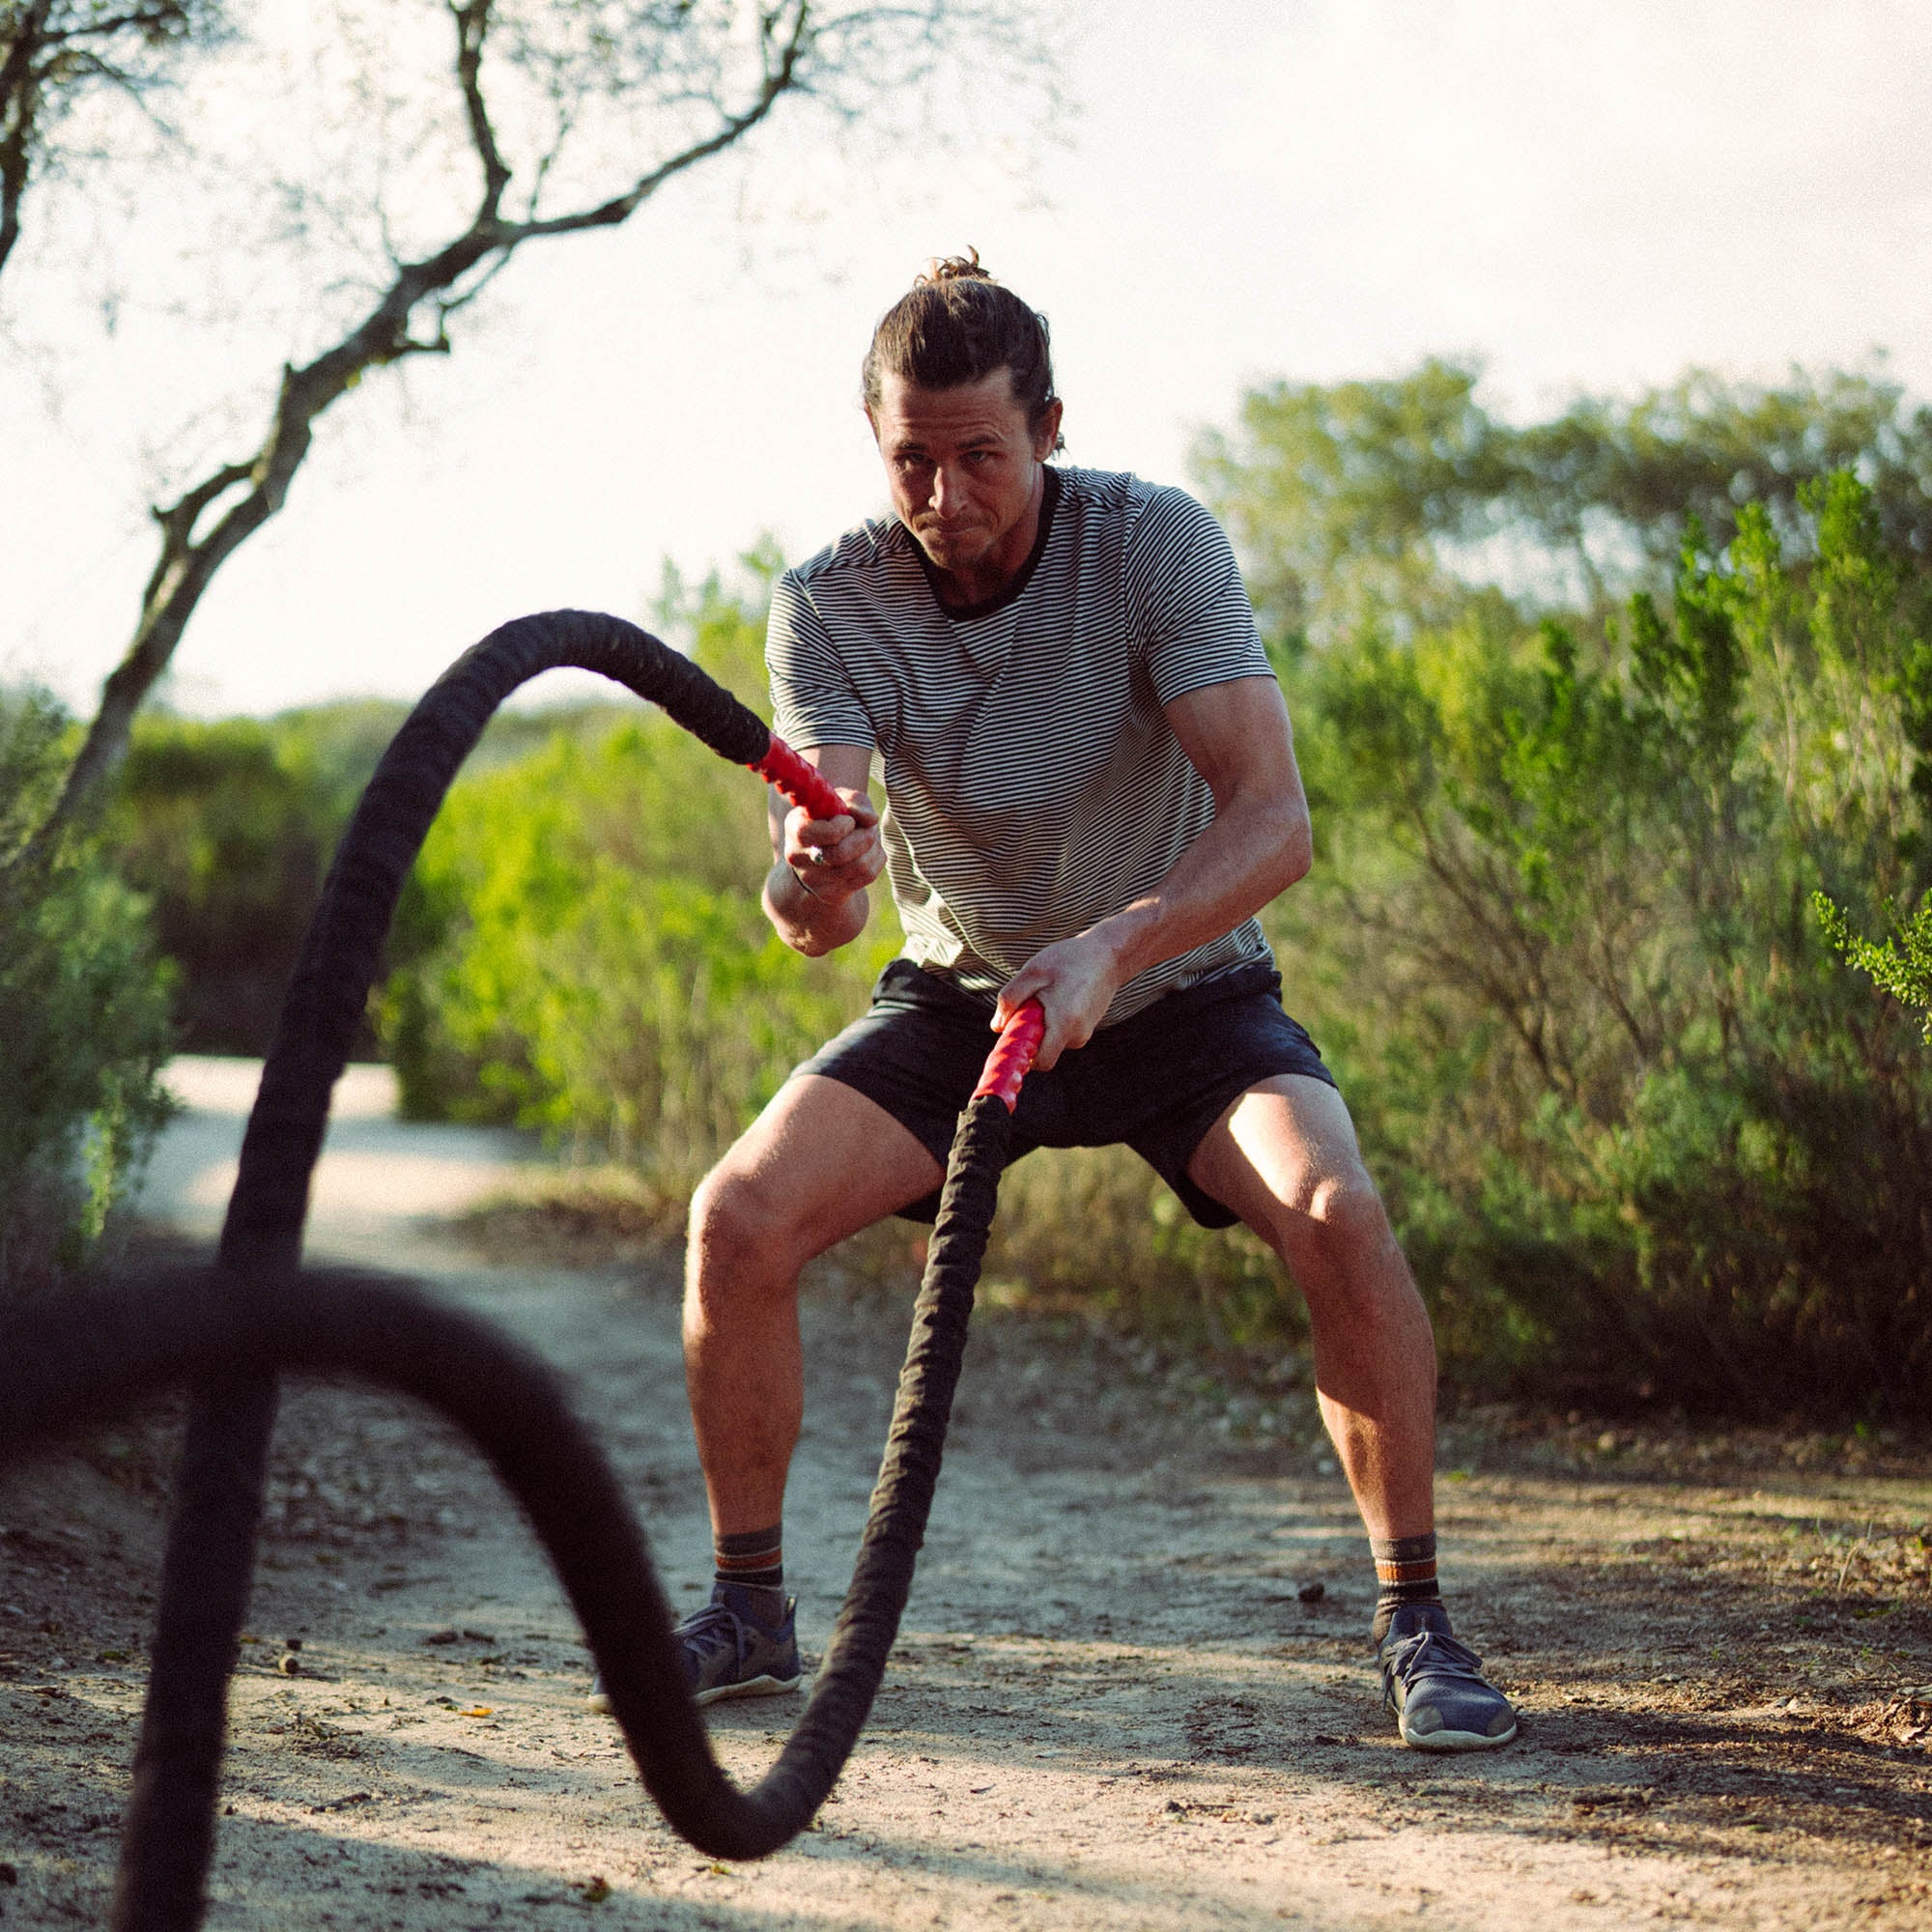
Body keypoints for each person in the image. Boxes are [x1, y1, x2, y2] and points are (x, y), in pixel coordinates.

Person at [592, 255, 1516, 1751]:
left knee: (1337, 1212)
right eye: (912, 459)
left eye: (980, 456)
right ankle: (749, 1605)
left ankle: (1419, 1623)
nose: (944, 495)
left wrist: (1114, 951)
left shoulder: (1152, 543)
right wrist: (810, 872)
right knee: (734, 1220)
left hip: (1181, 991)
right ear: (873, 440)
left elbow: (1276, 821)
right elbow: (818, 916)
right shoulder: (829, 602)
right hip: (965, 1002)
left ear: (1050, 429)